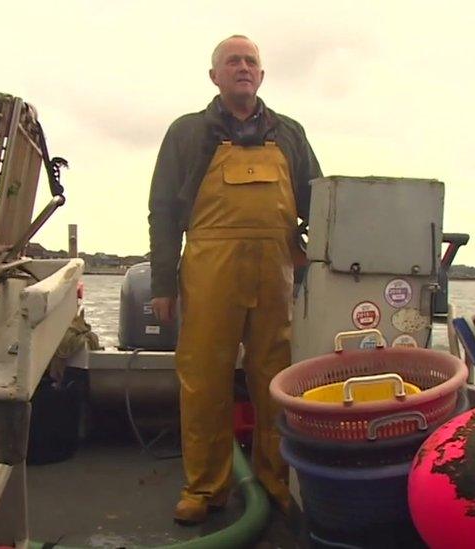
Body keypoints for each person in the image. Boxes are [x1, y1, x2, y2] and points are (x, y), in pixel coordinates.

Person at [147, 34, 321, 525]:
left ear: (262, 76)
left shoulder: (289, 132)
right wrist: (163, 284)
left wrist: (320, 263)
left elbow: (317, 207)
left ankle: (275, 479)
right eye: (232, 61)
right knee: (204, 380)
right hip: (208, 270)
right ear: (215, 76)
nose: (242, 67)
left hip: (277, 275)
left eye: (250, 61)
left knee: (277, 378)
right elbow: (163, 211)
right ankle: (204, 488)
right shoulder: (187, 133)